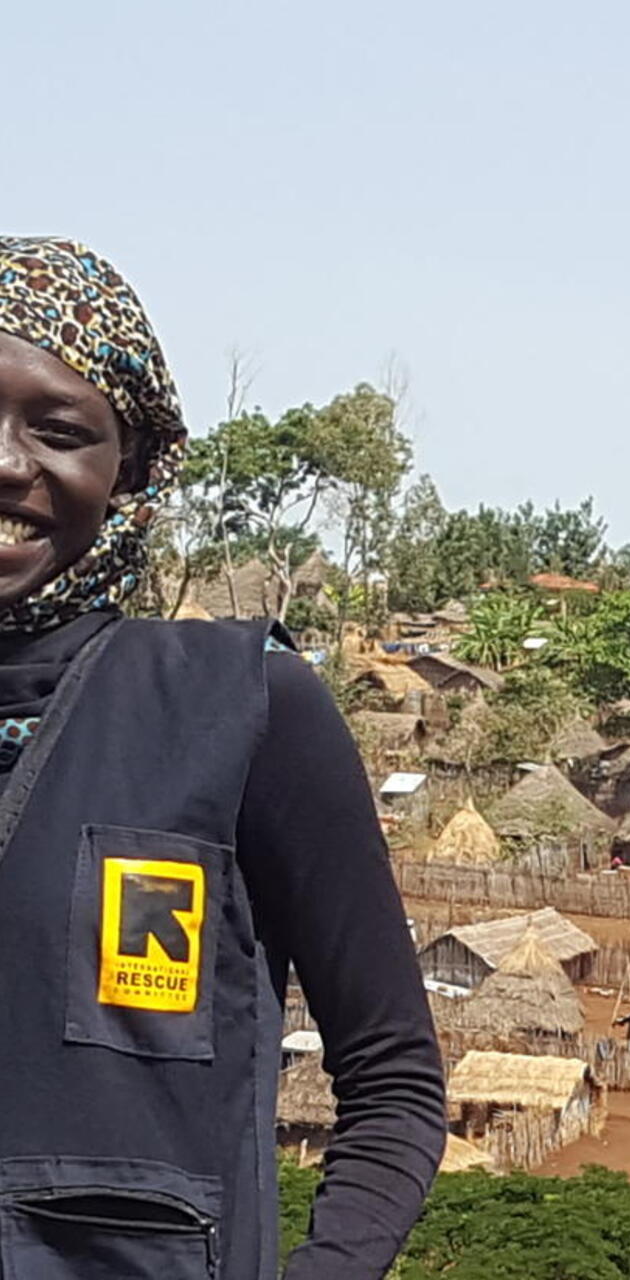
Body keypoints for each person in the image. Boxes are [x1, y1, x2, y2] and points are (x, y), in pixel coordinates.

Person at [0, 238, 445, 1278]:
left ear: (132, 472)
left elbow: (392, 1079)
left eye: (58, 430)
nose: (7, 462)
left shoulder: (241, 705)